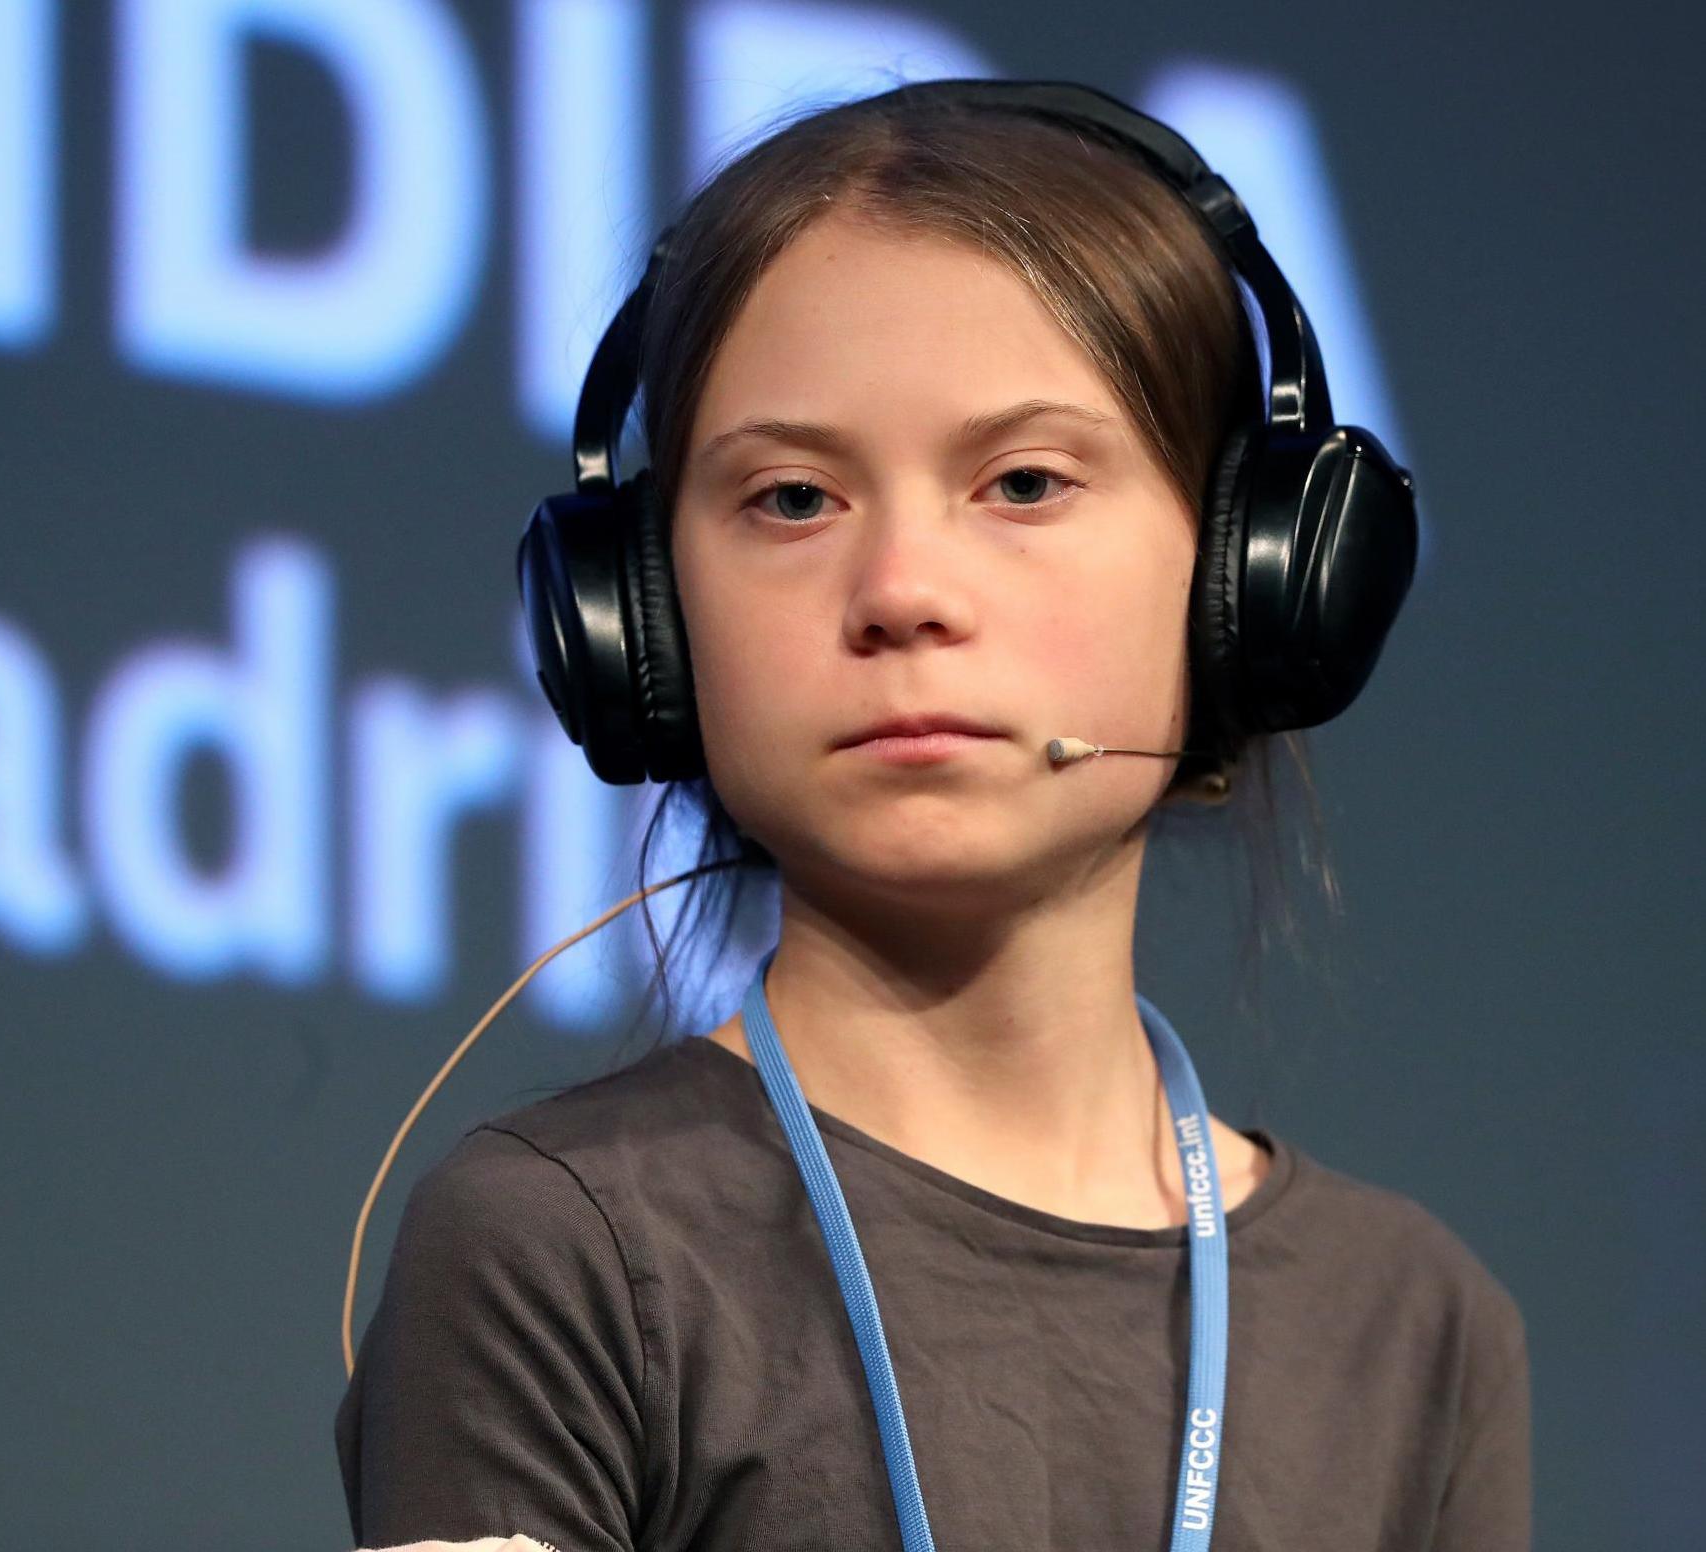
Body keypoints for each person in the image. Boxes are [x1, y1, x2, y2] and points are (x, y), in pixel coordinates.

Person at [335, 79, 1531, 1552]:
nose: (901, 590)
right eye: (788, 500)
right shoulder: (562, 1244)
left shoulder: (1409, 1323)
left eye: (1021, 482)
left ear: (1248, 577)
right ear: (636, 615)